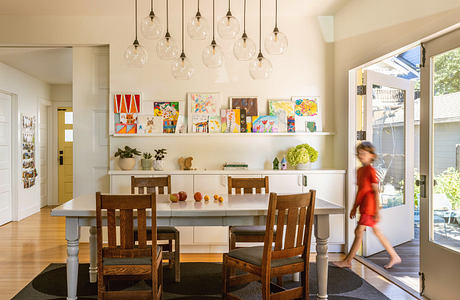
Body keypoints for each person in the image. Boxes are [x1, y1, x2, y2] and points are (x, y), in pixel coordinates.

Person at [334, 141, 401, 269]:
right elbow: (360, 191)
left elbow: (376, 191)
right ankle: (394, 256)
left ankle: (348, 261)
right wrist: (354, 207)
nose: (360, 156)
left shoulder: (370, 171)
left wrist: (377, 211)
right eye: (359, 153)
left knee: (358, 231)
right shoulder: (360, 171)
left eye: (364, 153)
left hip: (370, 207)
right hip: (363, 206)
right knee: (376, 232)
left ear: (372, 156)